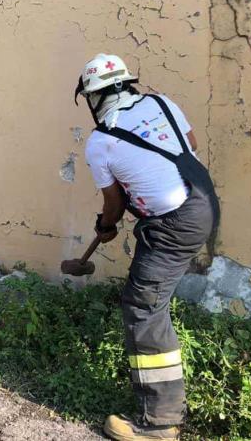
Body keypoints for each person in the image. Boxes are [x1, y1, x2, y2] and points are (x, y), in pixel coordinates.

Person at [76, 53, 220, 441]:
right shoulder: (162, 102)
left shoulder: (101, 141)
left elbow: (114, 203)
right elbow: (189, 146)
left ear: (93, 97)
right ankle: (162, 410)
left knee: (143, 308)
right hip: (203, 201)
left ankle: (158, 422)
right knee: (151, 300)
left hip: (173, 224)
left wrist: (105, 228)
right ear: (128, 83)